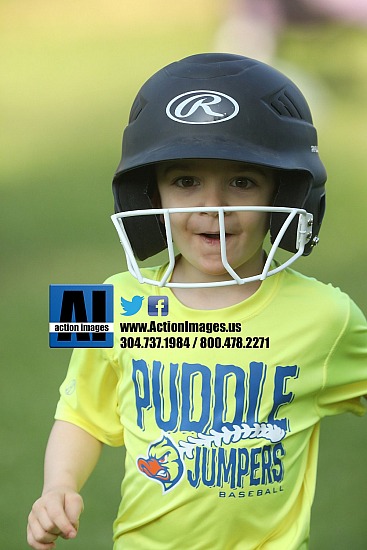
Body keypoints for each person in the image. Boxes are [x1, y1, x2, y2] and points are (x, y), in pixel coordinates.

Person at [27, 53, 367, 550]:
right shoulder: (104, 297)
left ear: (288, 190)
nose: (214, 205)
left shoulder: (328, 315)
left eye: (242, 181)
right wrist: (58, 486)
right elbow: (78, 412)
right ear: (151, 194)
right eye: (186, 181)